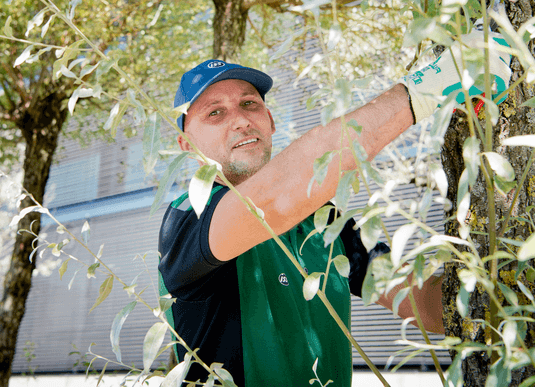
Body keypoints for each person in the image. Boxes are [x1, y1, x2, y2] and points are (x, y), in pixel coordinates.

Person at [157, 31, 511, 387]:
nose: (240, 119)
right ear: (186, 145)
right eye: (214, 112)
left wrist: (511, 231)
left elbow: (428, 305)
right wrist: (431, 86)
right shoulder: (190, 217)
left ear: (271, 121)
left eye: (249, 104)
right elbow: (279, 194)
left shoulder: (325, 222)